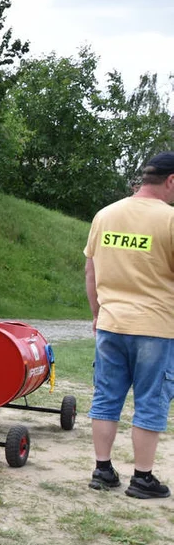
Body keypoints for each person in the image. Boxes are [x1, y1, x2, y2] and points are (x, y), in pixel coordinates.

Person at [83, 151, 174, 499]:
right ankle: (143, 477)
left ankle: (102, 469)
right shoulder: (169, 219)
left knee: (106, 397)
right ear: (171, 181)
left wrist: (96, 313)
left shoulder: (106, 215)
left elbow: (90, 270)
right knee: (150, 400)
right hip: (157, 326)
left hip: (111, 322)